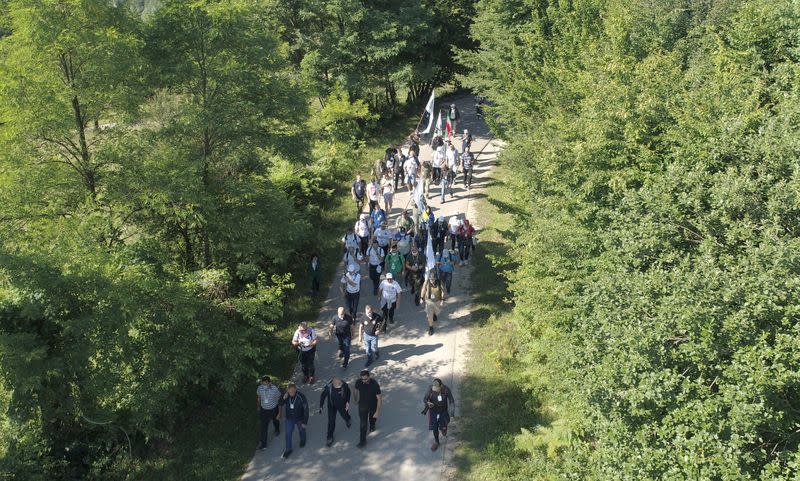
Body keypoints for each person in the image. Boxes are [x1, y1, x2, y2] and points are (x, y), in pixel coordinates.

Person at [423, 378, 455, 451]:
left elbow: (451, 401)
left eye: (437, 388)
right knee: (435, 428)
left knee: (443, 426)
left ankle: (444, 429)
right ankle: (436, 442)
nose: (435, 390)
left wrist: (452, 414)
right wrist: (428, 403)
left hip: (443, 412)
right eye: (434, 388)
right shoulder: (430, 388)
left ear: (441, 386)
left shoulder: (446, 390)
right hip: (433, 412)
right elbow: (425, 399)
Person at [319, 377, 352, 446]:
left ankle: (348, 419)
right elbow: (322, 396)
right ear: (334, 385)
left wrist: (347, 402)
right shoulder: (328, 388)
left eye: (341, 383)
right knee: (331, 421)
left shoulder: (344, 385)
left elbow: (349, 392)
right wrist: (321, 406)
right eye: (339, 384)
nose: (341, 384)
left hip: (342, 405)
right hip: (331, 406)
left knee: (344, 415)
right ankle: (330, 437)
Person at [353, 369, 382, 448]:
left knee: (372, 418)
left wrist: (377, 411)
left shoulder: (374, 385)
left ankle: (372, 425)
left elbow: (379, 399)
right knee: (363, 424)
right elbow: (355, 390)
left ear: (369, 377)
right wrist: (355, 399)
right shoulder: (359, 382)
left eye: (365, 379)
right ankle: (362, 441)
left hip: (373, 406)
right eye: (362, 379)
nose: (363, 381)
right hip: (362, 407)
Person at [280, 382, 309, 459]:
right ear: (287, 390)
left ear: (296, 389)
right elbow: (280, 403)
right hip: (289, 418)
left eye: (293, 391)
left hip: (300, 418)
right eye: (289, 392)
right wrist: (283, 398)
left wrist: (305, 422)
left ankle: (303, 440)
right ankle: (288, 449)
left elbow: (306, 410)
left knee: (302, 430)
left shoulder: (301, 396)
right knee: (288, 433)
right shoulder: (286, 395)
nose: (291, 393)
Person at [256, 375, 281, 450]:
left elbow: (279, 398)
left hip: (273, 408)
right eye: (263, 383)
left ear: (269, 383)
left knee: (275, 420)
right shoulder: (260, 388)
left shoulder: (274, 389)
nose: (264, 385)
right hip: (264, 409)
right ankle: (264, 445)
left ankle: (277, 429)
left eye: (266, 383)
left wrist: (279, 412)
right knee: (264, 426)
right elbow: (259, 397)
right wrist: (258, 406)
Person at [420, 269, 447, 335]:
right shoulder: (426, 282)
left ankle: (434, 314)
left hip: (437, 301)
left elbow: (443, 291)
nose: (432, 280)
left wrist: (442, 300)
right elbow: (423, 289)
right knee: (429, 315)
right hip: (429, 301)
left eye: (433, 279)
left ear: (435, 278)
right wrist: (421, 298)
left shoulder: (439, 282)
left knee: (436, 312)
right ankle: (431, 327)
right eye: (431, 279)